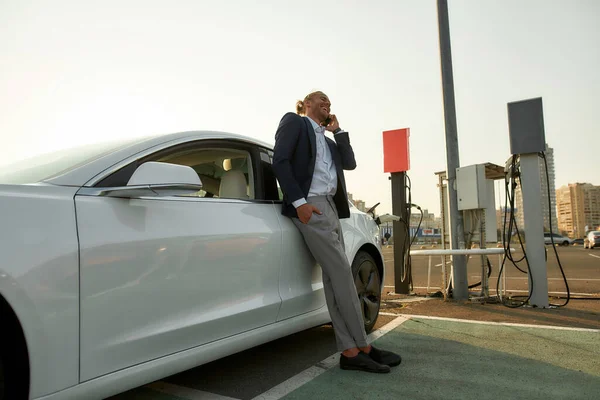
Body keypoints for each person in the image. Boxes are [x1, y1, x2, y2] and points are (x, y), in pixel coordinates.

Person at [272, 91, 401, 373]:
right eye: (321, 99)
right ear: (307, 104)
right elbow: (280, 160)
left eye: (329, 102)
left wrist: (338, 131)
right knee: (343, 273)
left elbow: (350, 162)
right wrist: (299, 204)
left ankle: (351, 350)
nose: (326, 103)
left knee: (334, 279)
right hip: (310, 205)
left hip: (331, 207)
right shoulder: (295, 122)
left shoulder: (330, 142)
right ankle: (362, 345)